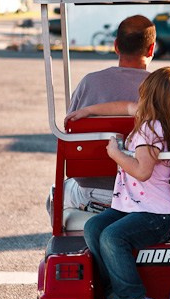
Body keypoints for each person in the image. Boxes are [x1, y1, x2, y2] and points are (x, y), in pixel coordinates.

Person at [82, 66, 170, 299]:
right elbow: (124, 106)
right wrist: (89, 111)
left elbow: (142, 171)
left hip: (156, 215)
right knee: (94, 227)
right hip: (132, 207)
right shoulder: (161, 120)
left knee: (112, 236)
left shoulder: (151, 130)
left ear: (149, 96)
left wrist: (116, 154)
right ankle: (116, 297)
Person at [61, 15, 157, 212]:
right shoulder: (164, 88)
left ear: (116, 46)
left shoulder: (90, 82)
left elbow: (69, 133)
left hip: (94, 190)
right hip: (149, 190)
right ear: (151, 48)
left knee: (55, 194)